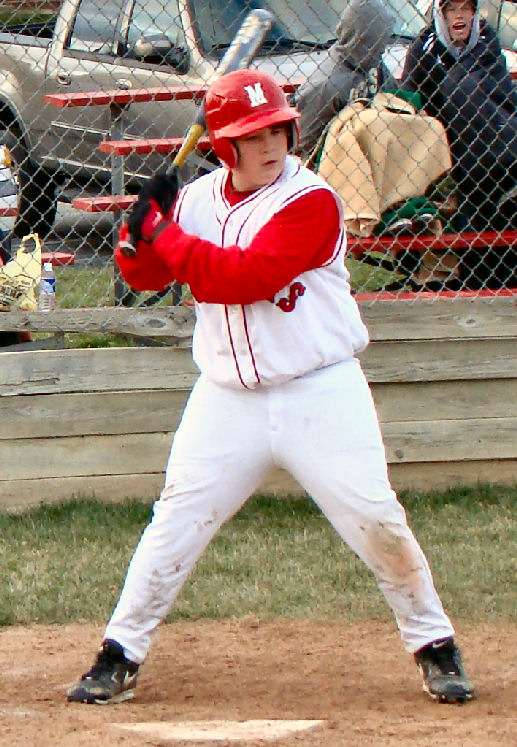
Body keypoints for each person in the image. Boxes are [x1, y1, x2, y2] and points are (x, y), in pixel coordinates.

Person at [65, 69, 474, 707]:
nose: (270, 144)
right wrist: (138, 228)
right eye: (252, 136)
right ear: (223, 146)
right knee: (176, 520)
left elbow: (243, 278)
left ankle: (435, 645)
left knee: (376, 520)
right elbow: (143, 276)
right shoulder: (197, 200)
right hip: (227, 399)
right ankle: (120, 652)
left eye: (277, 130)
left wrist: (164, 233)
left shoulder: (312, 202)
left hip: (321, 392)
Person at [401, 0, 517, 287]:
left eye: (466, 8)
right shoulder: (424, 50)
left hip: (486, 144)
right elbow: (410, 104)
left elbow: (505, 101)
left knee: (466, 92)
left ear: (474, 13)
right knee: (462, 90)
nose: (459, 16)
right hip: (445, 150)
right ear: (441, 15)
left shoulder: (487, 44)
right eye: (452, 9)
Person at [294, 0, 396, 159]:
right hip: (334, 163)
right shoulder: (326, 85)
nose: (384, 47)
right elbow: (304, 151)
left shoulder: (372, 63)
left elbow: (396, 100)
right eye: (379, 39)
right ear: (363, 38)